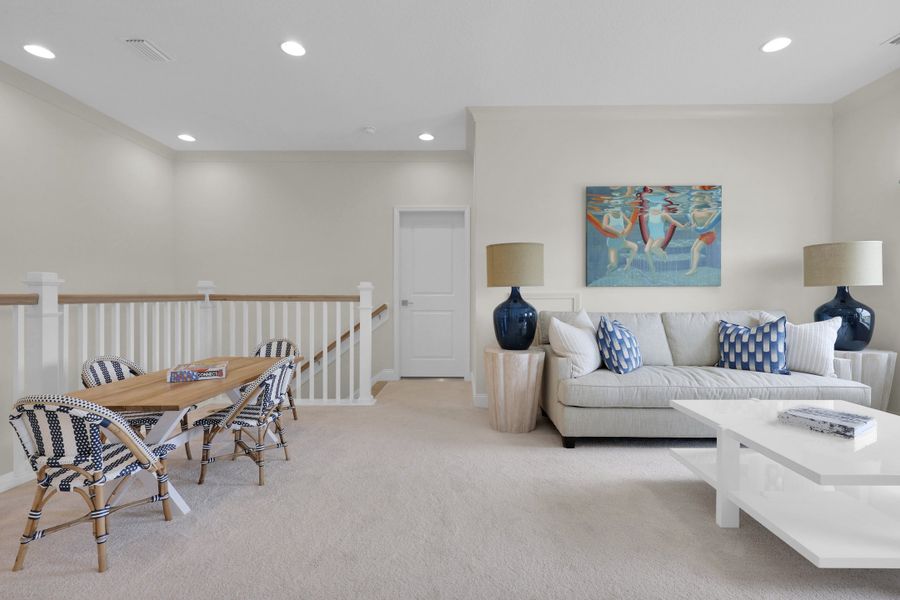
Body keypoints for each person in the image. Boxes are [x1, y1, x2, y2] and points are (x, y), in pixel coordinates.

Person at [643, 203, 686, 271]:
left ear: (660, 210)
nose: (655, 212)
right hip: (652, 237)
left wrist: (682, 226)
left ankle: (663, 254)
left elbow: (673, 221)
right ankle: (652, 268)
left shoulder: (663, 215)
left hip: (660, 236)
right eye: (653, 210)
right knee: (646, 251)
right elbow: (639, 220)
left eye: (656, 210)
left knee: (653, 248)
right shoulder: (648, 215)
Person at [686, 197, 721, 276]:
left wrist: (708, 222)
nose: (697, 203)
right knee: (692, 249)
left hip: (710, 234)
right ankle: (692, 268)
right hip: (702, 234)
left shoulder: (707, 210)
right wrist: (693, 225)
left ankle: (694, 269)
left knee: (696, 250)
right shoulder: (693, 212)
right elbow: (693, 224)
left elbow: (716, 212)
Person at [603, 205, 637, 272]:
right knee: (613, 265)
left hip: (621, 241)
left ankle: (627, 266)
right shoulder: (607, 215)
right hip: (612, 243)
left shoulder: (621, 214)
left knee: (635, 247)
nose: (616, 211)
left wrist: (626, 231)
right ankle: (610, 268)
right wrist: (617, 232)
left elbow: (630, 223)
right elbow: (604, 226)